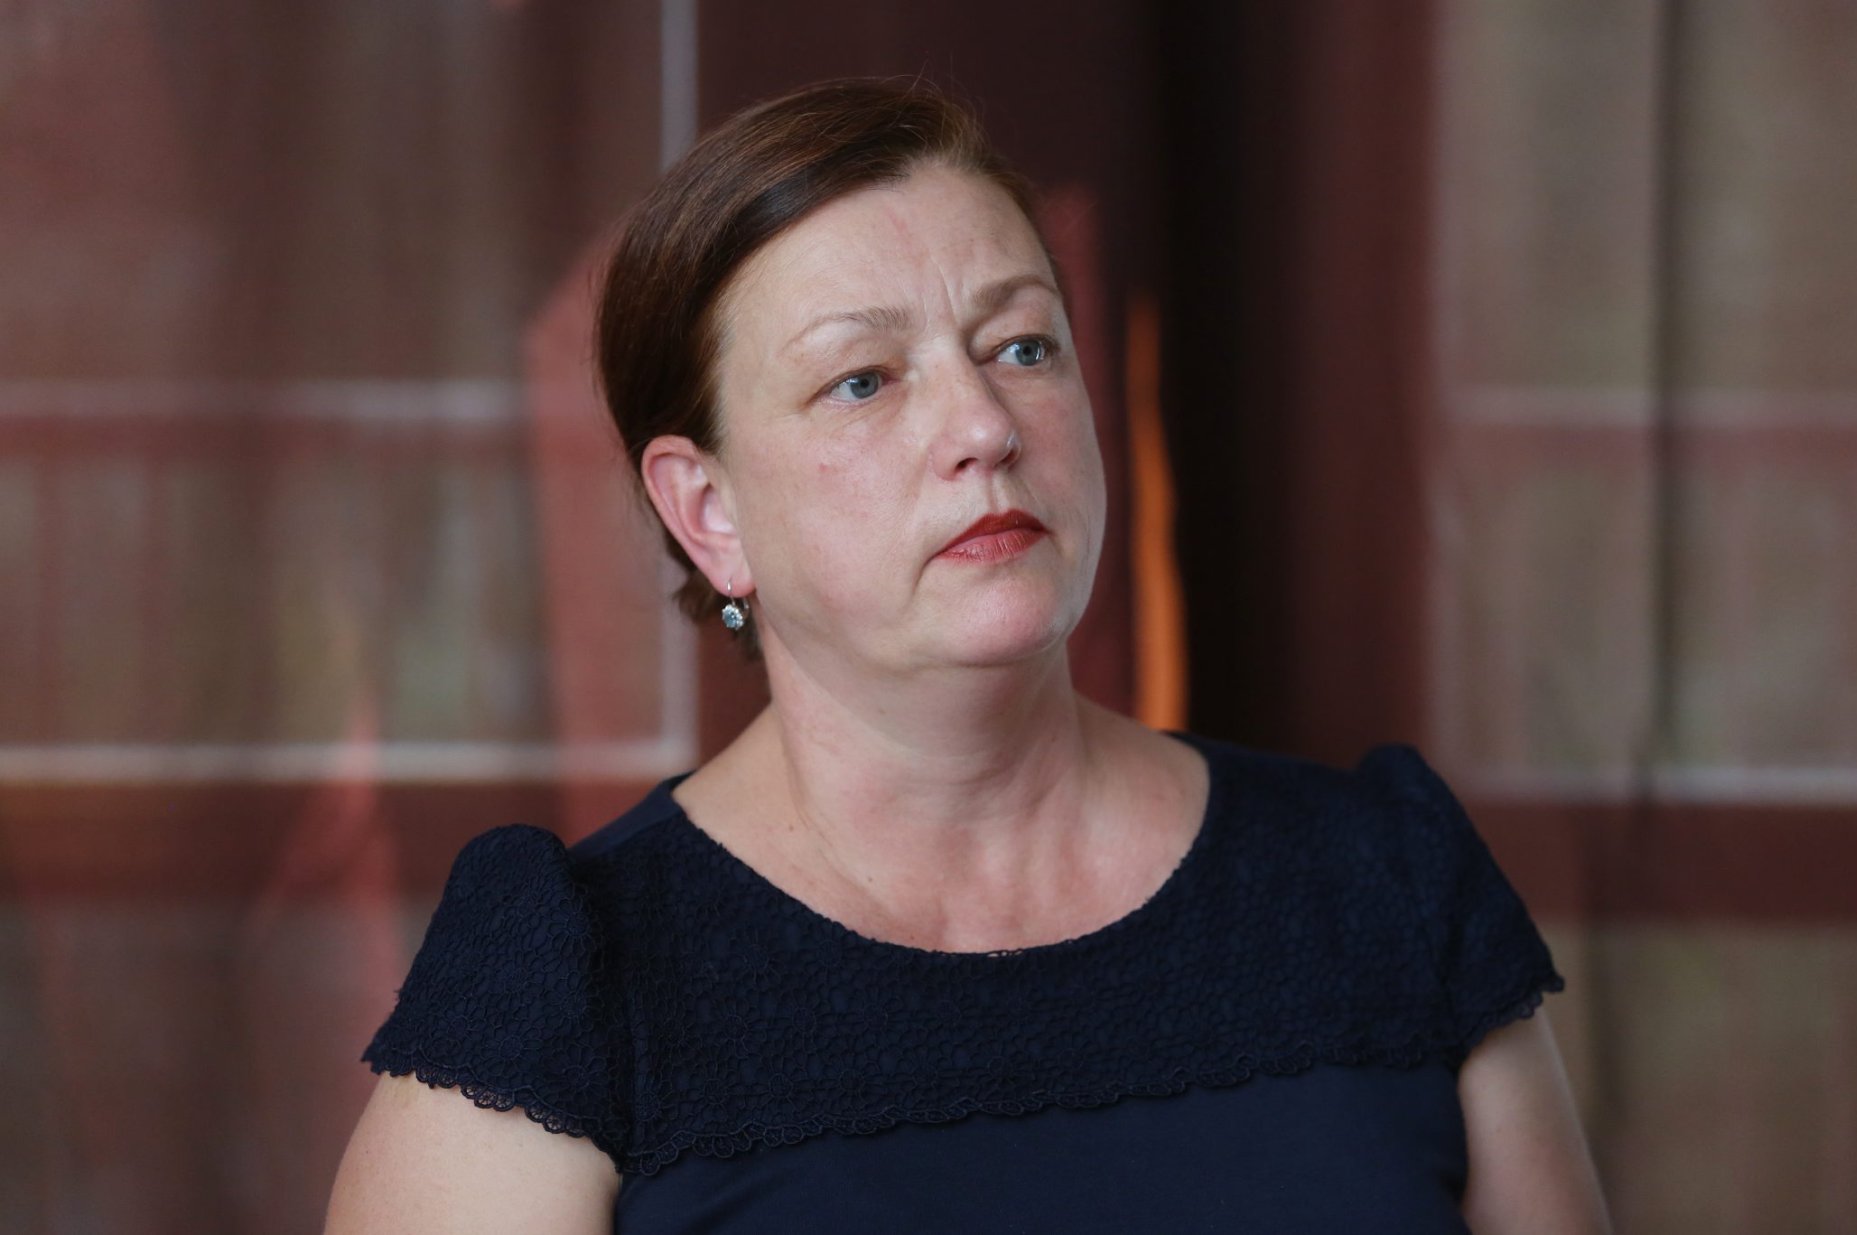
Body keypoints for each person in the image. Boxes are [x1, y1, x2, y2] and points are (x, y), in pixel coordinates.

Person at [325, 78, 1609, 1234]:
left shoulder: (1387, 877)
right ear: (708, 513)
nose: (985, 425)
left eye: (1022, 346)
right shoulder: (572, 979)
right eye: (864, 379)